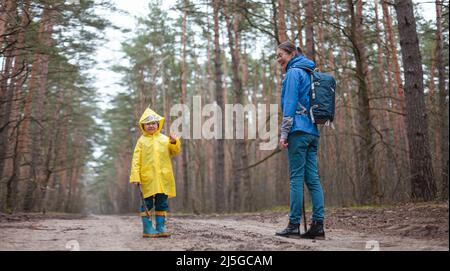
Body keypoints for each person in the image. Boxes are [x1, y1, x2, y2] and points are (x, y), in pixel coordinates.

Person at [275, 41, 325, 240]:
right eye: (277, 56)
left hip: (298, 131)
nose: (279, 59)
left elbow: (289, 106)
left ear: (292, 53)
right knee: (313, 179)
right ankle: (318, 226)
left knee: (296, 178)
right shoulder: (309, 72)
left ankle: (294, 224)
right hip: (312, 132)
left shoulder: (293, 74)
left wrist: (284, 134)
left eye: (281, 55)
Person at [129, 107, 181, 238]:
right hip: (147, 178)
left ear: (158, 124)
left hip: (163, 177)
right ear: (143, 126)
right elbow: (136, 160)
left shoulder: (164, 139)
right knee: (147, 203)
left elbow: (174, 152)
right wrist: (136, 176)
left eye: (153, 123)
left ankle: (160, 227)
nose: (151, 126)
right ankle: (147, 229)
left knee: (162, 202)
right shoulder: (141, 141)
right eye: (148, 124)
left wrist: (174, 142)